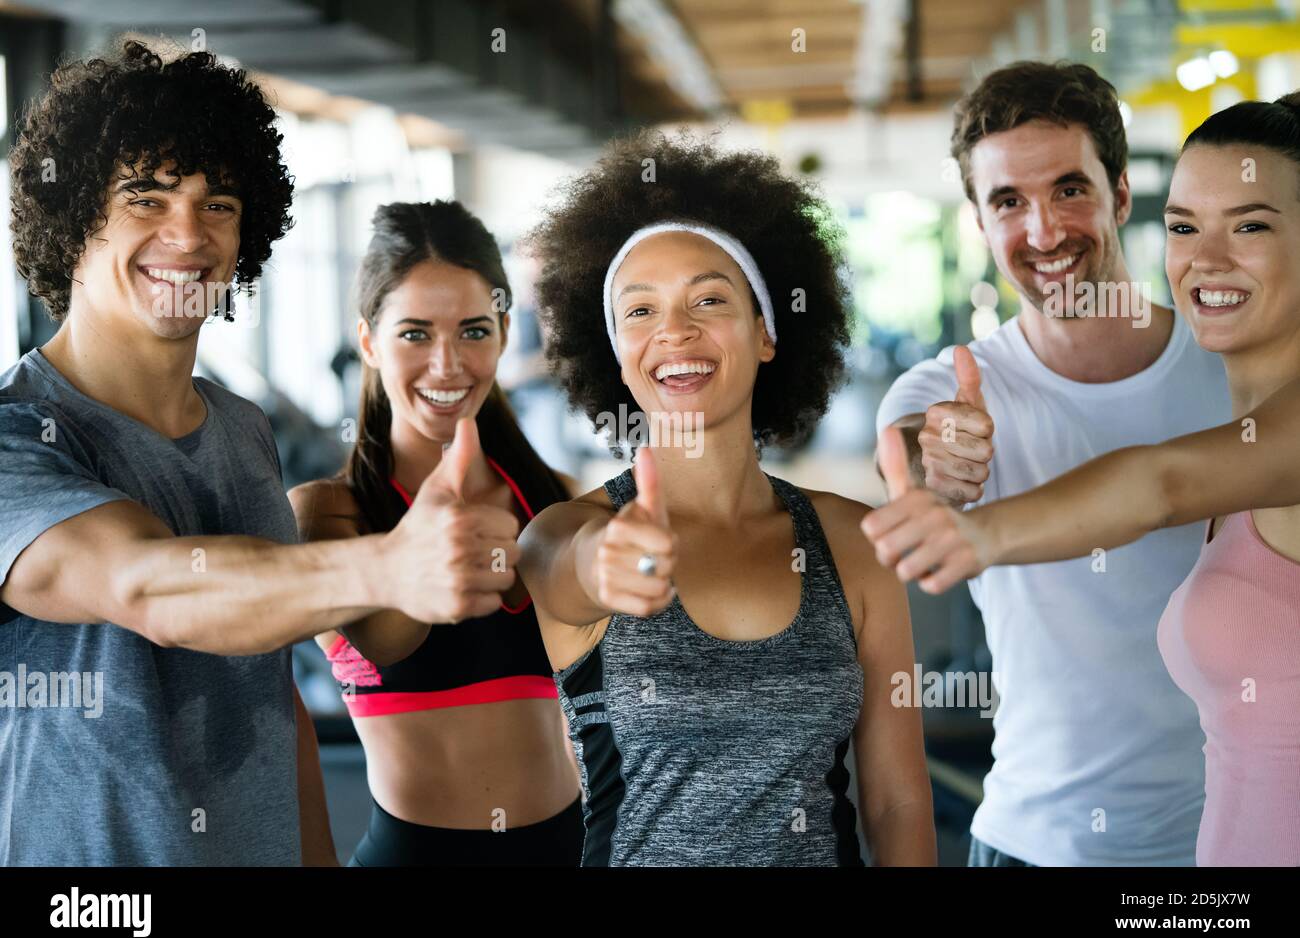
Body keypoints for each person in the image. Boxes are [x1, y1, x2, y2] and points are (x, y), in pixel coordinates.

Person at [0, 41, 519, 865]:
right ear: (72, 220)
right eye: (147, 195)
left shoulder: (241, 427)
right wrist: (387, 567)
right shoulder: (14, 438)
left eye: (219, 203)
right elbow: (153, 589)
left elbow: (273, 701)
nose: (189, 234)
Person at [865, 92, 1300, 867]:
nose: (1043, 229)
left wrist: (980, 531)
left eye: (1069, 188)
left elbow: (1160, 483)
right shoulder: (951, 387)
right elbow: (914, 459)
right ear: (979, 220)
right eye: (1007, 201)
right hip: (1042, 841)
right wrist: (939, 472)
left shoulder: (1230, 349)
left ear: (1120, 192)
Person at [518, 130, 935, 866]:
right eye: (639, 311)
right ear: (614, 349)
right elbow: (562, 568)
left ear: (767, 331)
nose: (674, 330)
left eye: (709, 298)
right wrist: (600, 564)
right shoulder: (571, 530)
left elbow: (897, 802)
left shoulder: (852, 542)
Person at [290, 201, 584, 866]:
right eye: (415, 334)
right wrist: (428, 539)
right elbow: (391, 635)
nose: (448, 365)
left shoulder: (560, 499)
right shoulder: (330, 513)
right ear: (368, 341)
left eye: (473, 330)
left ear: (505, 332)